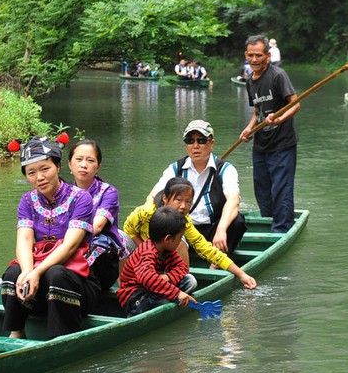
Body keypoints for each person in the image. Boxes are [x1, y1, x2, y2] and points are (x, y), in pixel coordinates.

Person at [1, 135, 102, 339]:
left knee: (55, 273)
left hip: (78, 284)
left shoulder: (81, 198)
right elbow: (24, 240)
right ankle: (17, 332)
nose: (39, 177)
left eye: (45, 169)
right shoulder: (27, 200)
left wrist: (37, 273)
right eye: (31, 173)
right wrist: (28, 272)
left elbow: (71, 245)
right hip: (40, 289)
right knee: (13, 273)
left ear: (57, 167)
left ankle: (61, 337)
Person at [127, 177, 257, 289]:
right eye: (178, 200)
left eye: (188, 202)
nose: (183, 206)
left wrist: (241, 274)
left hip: (161, 257)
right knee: (122, 240)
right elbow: (128, 229)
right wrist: (148, 250)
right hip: (141, 253)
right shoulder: (146, 212)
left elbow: (207, 249)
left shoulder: (183, 220)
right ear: (165, 199)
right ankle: (127, 286)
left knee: (181, 243)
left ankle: (171, 285)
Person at [150, 119, 247, 256]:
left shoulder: (226, 169)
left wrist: (221, 229)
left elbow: (233, 200)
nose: (195, 146)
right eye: (190, 141)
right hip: (182, 229)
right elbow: (153, 196)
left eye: (201, 141)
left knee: (237, 221)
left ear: (211, 143)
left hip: (213, 230)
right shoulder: (175, 168)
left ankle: (217, 262)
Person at [239, 35, 300, 233]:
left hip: (282, 143)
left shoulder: (277, 75)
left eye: (259, 55)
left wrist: (281, 118)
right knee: (262, 189)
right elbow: (257, 112)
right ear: (246, 55)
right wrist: (249, 128)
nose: (254, 60)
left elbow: (295, 103)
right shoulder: (250, 80)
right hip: (261, 143)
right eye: (251, 55)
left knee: (281, 188)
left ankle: (281, 230)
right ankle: (269, 222)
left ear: (268, 55)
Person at [67, 139, 130, 291]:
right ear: (70, 164)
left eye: (90, 160)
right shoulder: (63, 193)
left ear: (98, 167)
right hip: (69, 247)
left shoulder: (108, 192)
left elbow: (97, 226)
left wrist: (67, 245)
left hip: (102, 258)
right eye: (79, 159)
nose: (84, 165)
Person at [117, 206, 197, 316]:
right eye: (179, 238)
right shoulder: (147, 252)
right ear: (168, 239)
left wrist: (168, 277)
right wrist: (177, 293)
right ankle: (134, 315)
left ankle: (171, 299)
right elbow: (148, 279)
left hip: (155, 288)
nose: (180, 241)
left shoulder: (169, 251)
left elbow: (182, 267)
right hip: (135, 295)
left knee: (190, 280)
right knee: (162, 301)